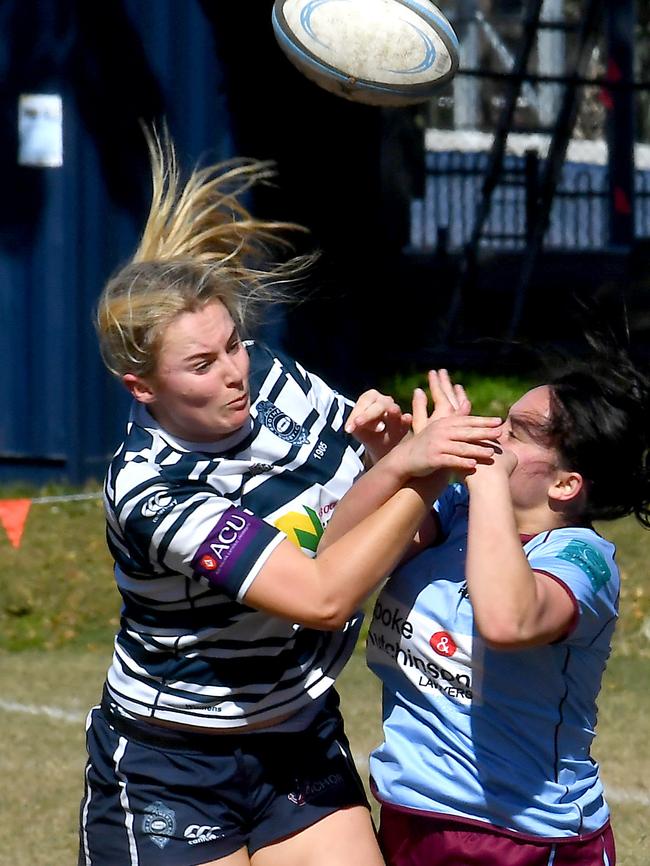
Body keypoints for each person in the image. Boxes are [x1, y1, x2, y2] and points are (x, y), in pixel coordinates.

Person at [77, 128, 501, 866]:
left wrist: (389, 459)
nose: (235, 371)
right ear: (142, 388)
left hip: (298, 734)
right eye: (203, 364)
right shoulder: (152, 489)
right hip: (175, 765)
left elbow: (364, 524)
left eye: (234, 343)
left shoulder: (272, 380)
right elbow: (322, 593)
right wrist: (420, 470)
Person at [320, 353, 650, 866]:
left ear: (566, 484)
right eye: (501, 417)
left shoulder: (582, 559)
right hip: (412, 814)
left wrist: (486, 480)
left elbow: (506, 619)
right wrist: (402, 460)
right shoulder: (456, 511)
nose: (494, 432)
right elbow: (337, 553)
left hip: (528, 838)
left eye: (518, 432)